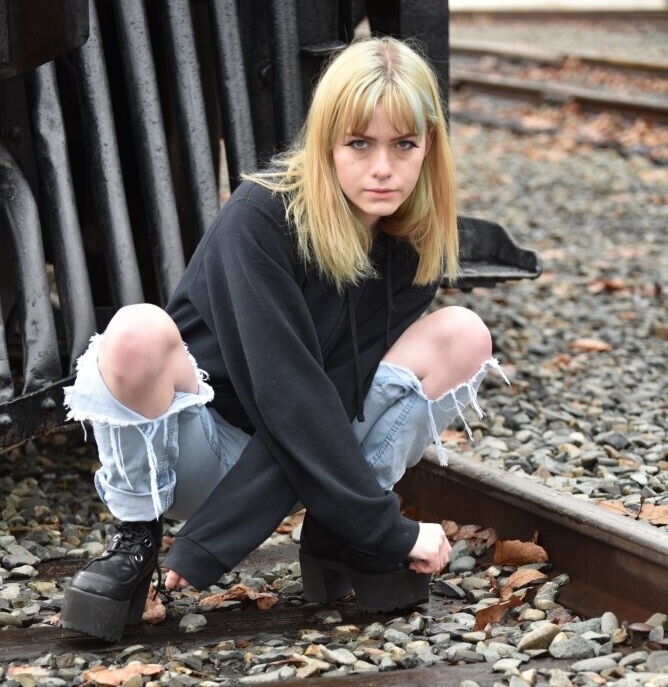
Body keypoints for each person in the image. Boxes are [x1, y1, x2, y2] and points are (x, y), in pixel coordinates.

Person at [60, 35, 507, 642]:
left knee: (464, 334)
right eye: (360, 143)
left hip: (311, 450)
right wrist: (210, 541)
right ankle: (134, 541)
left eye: (404, 144)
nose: (383, 167)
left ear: (429, 146)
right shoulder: (262, 217)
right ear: (327, 142)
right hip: (200, 449)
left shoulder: (411, 243)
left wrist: (358, 521)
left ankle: (340, 533)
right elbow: (287, 394)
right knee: (137, 330)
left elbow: (335, 398)